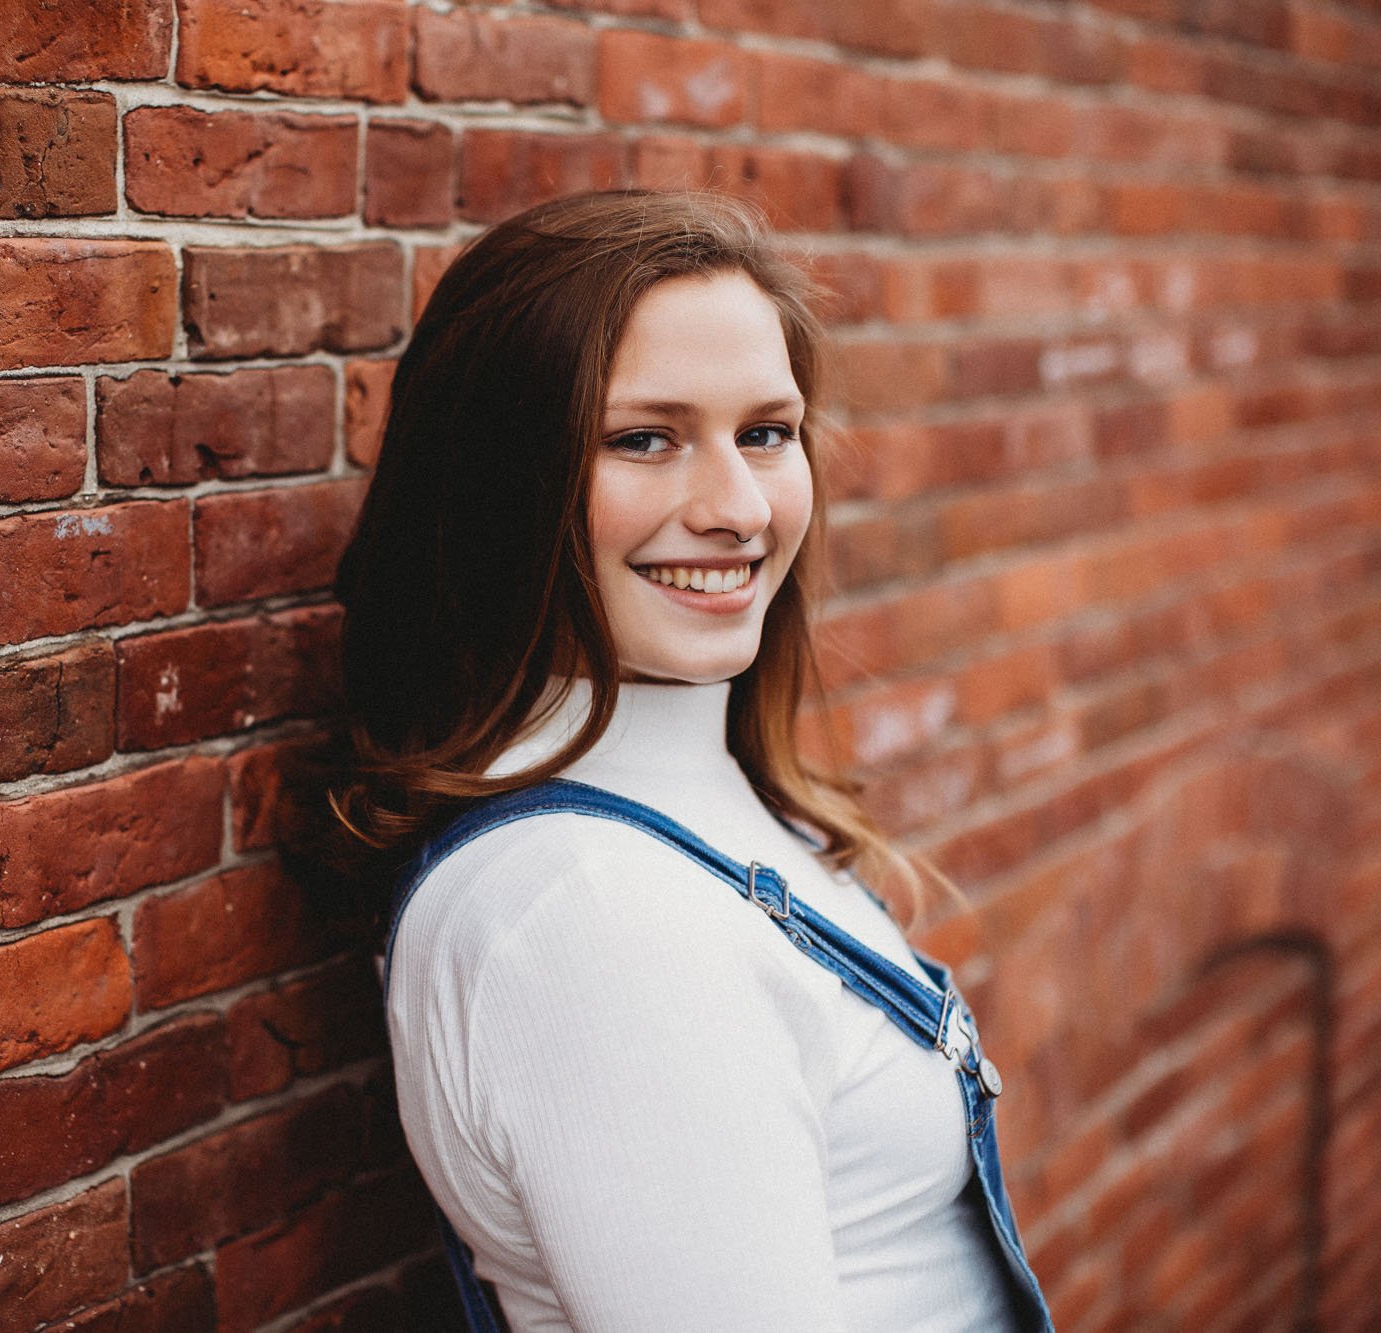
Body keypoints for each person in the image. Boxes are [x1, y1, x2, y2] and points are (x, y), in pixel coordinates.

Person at [321, 191, 1056, 1331]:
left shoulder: (687, 807)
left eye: (764, 432)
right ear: (501, 485)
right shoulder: (592, 918)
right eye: (642, 439)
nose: (737, 508)